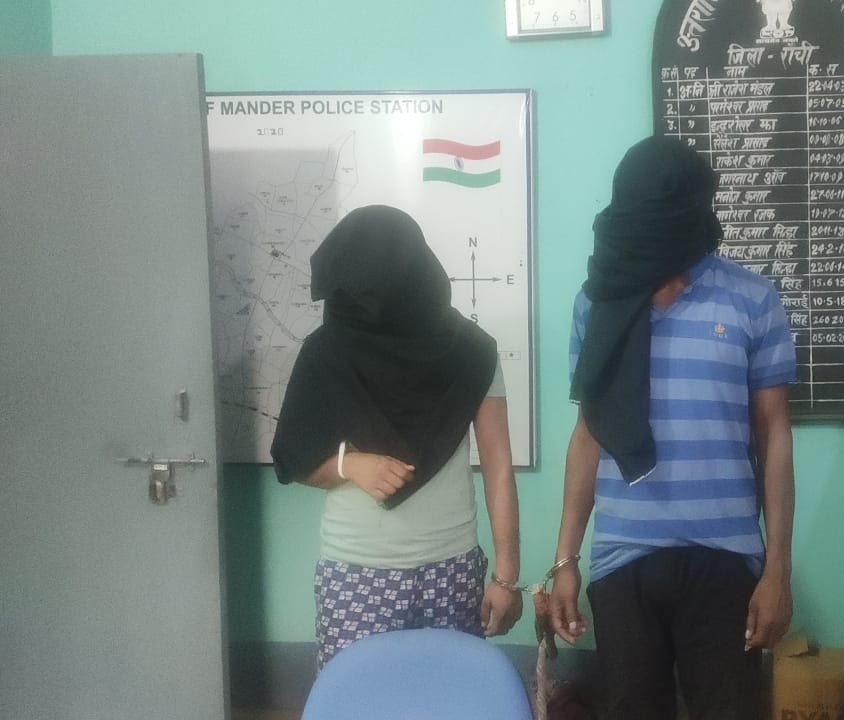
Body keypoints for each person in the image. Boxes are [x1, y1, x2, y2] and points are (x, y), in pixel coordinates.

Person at [548, 136, 797, 719]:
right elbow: (588, 434)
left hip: (727, 559)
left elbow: (775, 437)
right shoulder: (597, 303)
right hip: (623, 559)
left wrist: (777, 570)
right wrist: (565, 560)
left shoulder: (751, 299)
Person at [270, 204, 521, 668]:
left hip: (450, 566)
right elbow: (292, 457)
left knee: (450, 699)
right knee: (357, 698)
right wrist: (349, 464)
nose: (358, 304)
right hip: (355, 570)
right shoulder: (326, 352)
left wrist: (507, 576)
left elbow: (498, 464)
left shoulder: (472, 351)